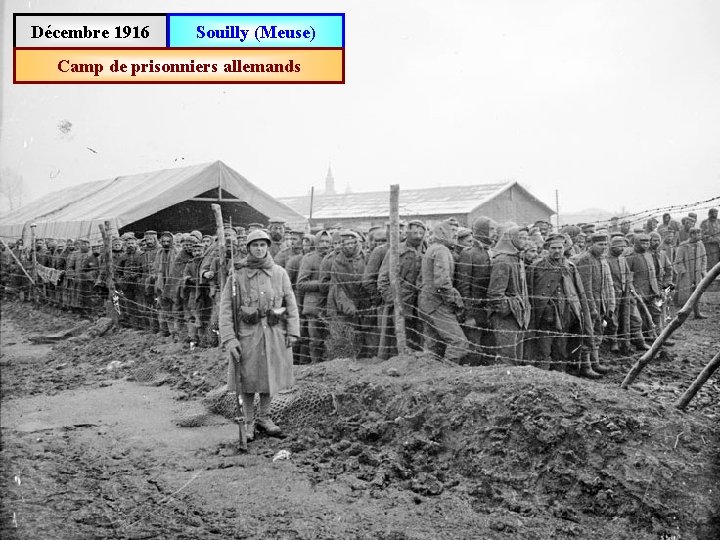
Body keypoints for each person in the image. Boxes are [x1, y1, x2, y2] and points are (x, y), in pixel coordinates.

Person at [219, 229, 299, 440]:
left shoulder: (279, 273)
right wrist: (229, 338)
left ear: (268, 247)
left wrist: (293, 331)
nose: (259, 249)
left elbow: (290, 303)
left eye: (263, 245)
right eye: (255, 245)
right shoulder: (237, 275)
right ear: (248, 249)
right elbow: (226, 308)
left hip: (273, 332)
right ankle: (248, 421)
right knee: (247, 379)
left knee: (268, 377)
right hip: (248, 334)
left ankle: (265, 417)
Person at [527, 234, 598, 377]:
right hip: (545, 319)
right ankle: (542, 381)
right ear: (547, 248)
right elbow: (529, 292)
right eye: (553, 248)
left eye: (560, 248)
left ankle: (562, 379)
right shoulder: (537, 267)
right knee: (543, 352)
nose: (557, 251)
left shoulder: (570, 267)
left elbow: (579, 293)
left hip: (566, 316)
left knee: (561, 351)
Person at [418, 221, 470, 363]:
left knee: (432, 346)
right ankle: (448, 375)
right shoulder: (441, 250)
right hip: (437, 304)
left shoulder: (433, 248)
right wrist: (454, 300)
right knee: (459, 343)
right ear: (442, 232)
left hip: (427, 303)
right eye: (451, 230)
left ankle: (427, 376)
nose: (455, 233)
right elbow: (442, 282)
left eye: (456, 230)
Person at [377, 219, 426, 358]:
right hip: (399, 304)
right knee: (395, 340)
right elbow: (383, 279)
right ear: (407, 233)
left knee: (419, 339)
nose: (418, 236)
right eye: (415, 232)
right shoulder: (396, 251)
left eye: (421, 232)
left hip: (420, 304)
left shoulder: (426, 251)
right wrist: (393, 299)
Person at [486, 223, 530, 364]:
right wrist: (508, 309)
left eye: (526, 238)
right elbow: (495, 294)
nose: (525, 241)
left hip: (518, 313)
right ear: (511, 239)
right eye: (521, 237)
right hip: (507, 316)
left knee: (516, 357)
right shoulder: (503, 261)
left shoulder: (517, 258)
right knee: (508, 358)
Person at [454, 217, 496, 364]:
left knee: (490, 350)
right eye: (491, 229)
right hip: (474, 310)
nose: (494, 233)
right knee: (474, 350)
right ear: (482, 231)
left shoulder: (491, 252)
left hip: (488, 310)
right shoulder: (469, 253)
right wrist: (468, 315)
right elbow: (463, 285)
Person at [572, 233, 614, 374]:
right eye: (600, 245)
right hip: (589, 305)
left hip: (599, 303)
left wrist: (605, 304)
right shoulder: (586, 259)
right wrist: (591, 308)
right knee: (587, 335)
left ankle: (595, 363)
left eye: (605, 245)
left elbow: (603, 286)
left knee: (597, 333)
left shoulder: (600, 260)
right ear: (591, 245)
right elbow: (586, 288)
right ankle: (586, 367)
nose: (603, 247)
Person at [330, 230, 374, 358]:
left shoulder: (367, 258)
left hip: (366, 302)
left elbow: (372, 278)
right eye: (346, 243)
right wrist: (347, 305)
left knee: (369, 333)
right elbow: (337, 287)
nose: (349, 246)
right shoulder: (337, 262)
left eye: (352, 243)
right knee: (351, 335)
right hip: (347, 304)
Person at [296, 230, 332, 363]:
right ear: (316, 242)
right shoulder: (309, 259)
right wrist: (322, 284)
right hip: (314, 306)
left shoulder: (333, 258)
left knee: (330, 338)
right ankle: (315, 366)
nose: (324, 245)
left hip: (330, 304)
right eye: (321, 241)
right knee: (315, 340)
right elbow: (301, 283)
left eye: (327, 242)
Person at [674, 227, 708, 319]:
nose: (699, 236)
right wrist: (683, 270)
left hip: (697, 273)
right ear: (692, 235)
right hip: (687, 274)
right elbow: (678, 260)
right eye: (697, 234)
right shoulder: (683, 245)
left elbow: (704, 258)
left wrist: (703, 269)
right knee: (685, 293)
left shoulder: (700, 245)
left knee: (697, 291)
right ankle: (683, 313)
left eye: (700, 234)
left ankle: (697, 312)